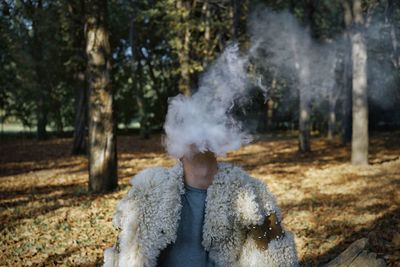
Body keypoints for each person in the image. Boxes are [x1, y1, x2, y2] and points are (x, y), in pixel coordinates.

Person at [103, 145, 298, 267]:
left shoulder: (252, 194)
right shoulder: (147, 192)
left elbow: (277, 257)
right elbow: (123, 257)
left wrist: (257, 221)